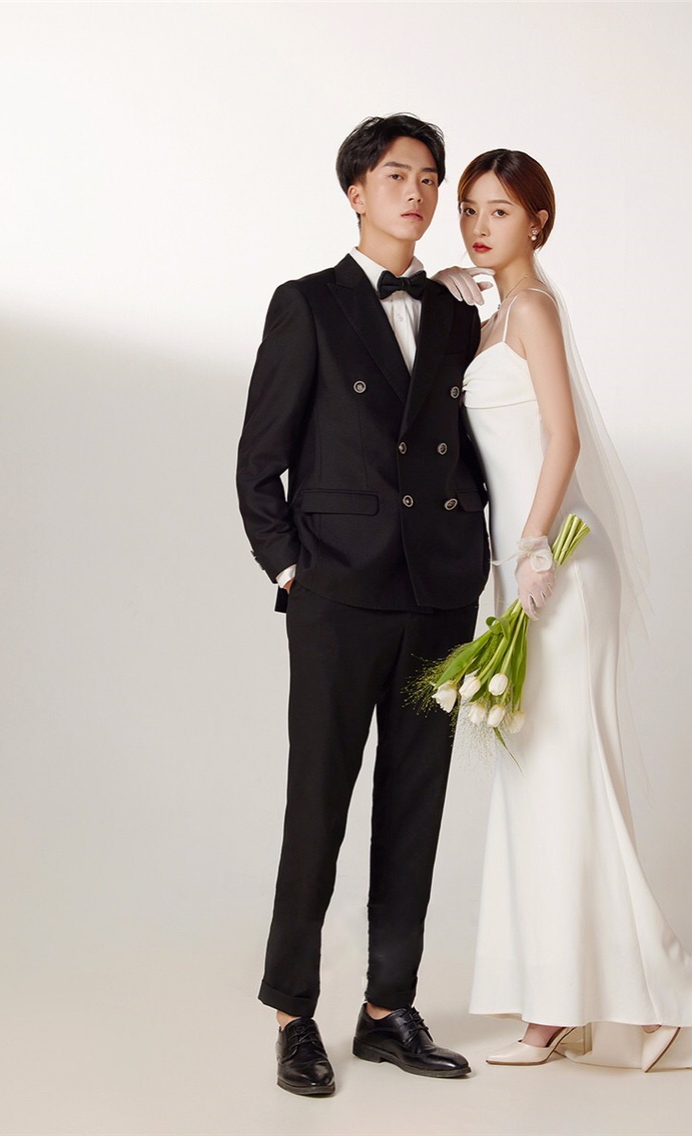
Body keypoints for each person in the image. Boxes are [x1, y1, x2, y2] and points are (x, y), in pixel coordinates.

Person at [435, 148, 692, 1070]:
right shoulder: (488, 318)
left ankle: (652, 1000)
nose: (479, 226)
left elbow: (560, 438)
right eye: (469, 210)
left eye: (499, 211)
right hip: (521, 565)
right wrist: (445, 295)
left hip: (556, 561)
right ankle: (561, 1001)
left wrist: (532, 547)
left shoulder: (531, 308)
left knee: (566, 775)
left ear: (538, 222)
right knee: (536, 777)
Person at [236, 114, 489, 1096]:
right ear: (355, 192)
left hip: (438, 596)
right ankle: (292, 1012)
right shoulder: (306, 303)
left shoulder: (454, 312)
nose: (416, 193)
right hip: (338, 596)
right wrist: (290, 569)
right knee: (318, 805)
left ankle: (387, 1010)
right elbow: (260, 460)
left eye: (429, 179)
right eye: (396, 175)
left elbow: (483, 444)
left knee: (415, 808)